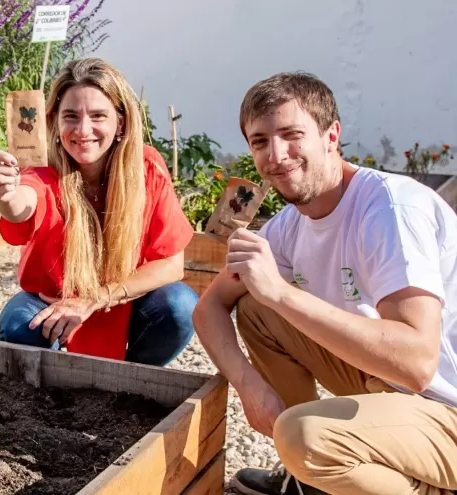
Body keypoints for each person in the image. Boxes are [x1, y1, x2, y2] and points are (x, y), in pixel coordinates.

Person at [193, 70, 457, 495]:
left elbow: (417, 365)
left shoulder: (390, 209)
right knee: (258, 309)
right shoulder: (287, 226)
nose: (276, 155)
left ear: (331, 136)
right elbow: (208, 308)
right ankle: (313, 478)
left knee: (305, 436)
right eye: (260, 141)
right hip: (391, 391)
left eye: (291, 134)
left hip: (447, 408)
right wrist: (249, 385)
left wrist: (280, 292)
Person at [0, 57, 198, 365]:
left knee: (179, 305)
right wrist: (5, 193)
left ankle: (134, 383)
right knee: (19, 323)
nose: (83, 130)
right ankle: (48, 396)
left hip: (124, 297)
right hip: (56, 300)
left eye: (98, 115)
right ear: (55, 120)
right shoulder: (43, 171)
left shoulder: (146, 167)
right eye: (71, 116)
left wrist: (96, 298)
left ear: (120, 122)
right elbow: (22, 205)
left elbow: (173, 265)